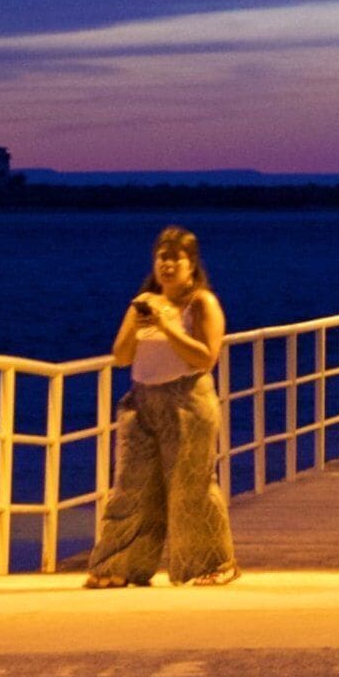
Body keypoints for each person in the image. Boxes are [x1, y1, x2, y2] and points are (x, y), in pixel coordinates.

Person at [82, 225, 239, 588]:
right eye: (161, 257)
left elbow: (205, 358)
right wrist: (137, 322)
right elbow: (121, 356)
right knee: (131, 485)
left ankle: (212, 564)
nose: (167, 265)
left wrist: (169, 327)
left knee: (190, 487)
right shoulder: (145, 302)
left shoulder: (201, 303)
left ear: (191, 264)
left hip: (187, 400)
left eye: (175, 258)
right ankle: (120, 565)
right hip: (142, 402)